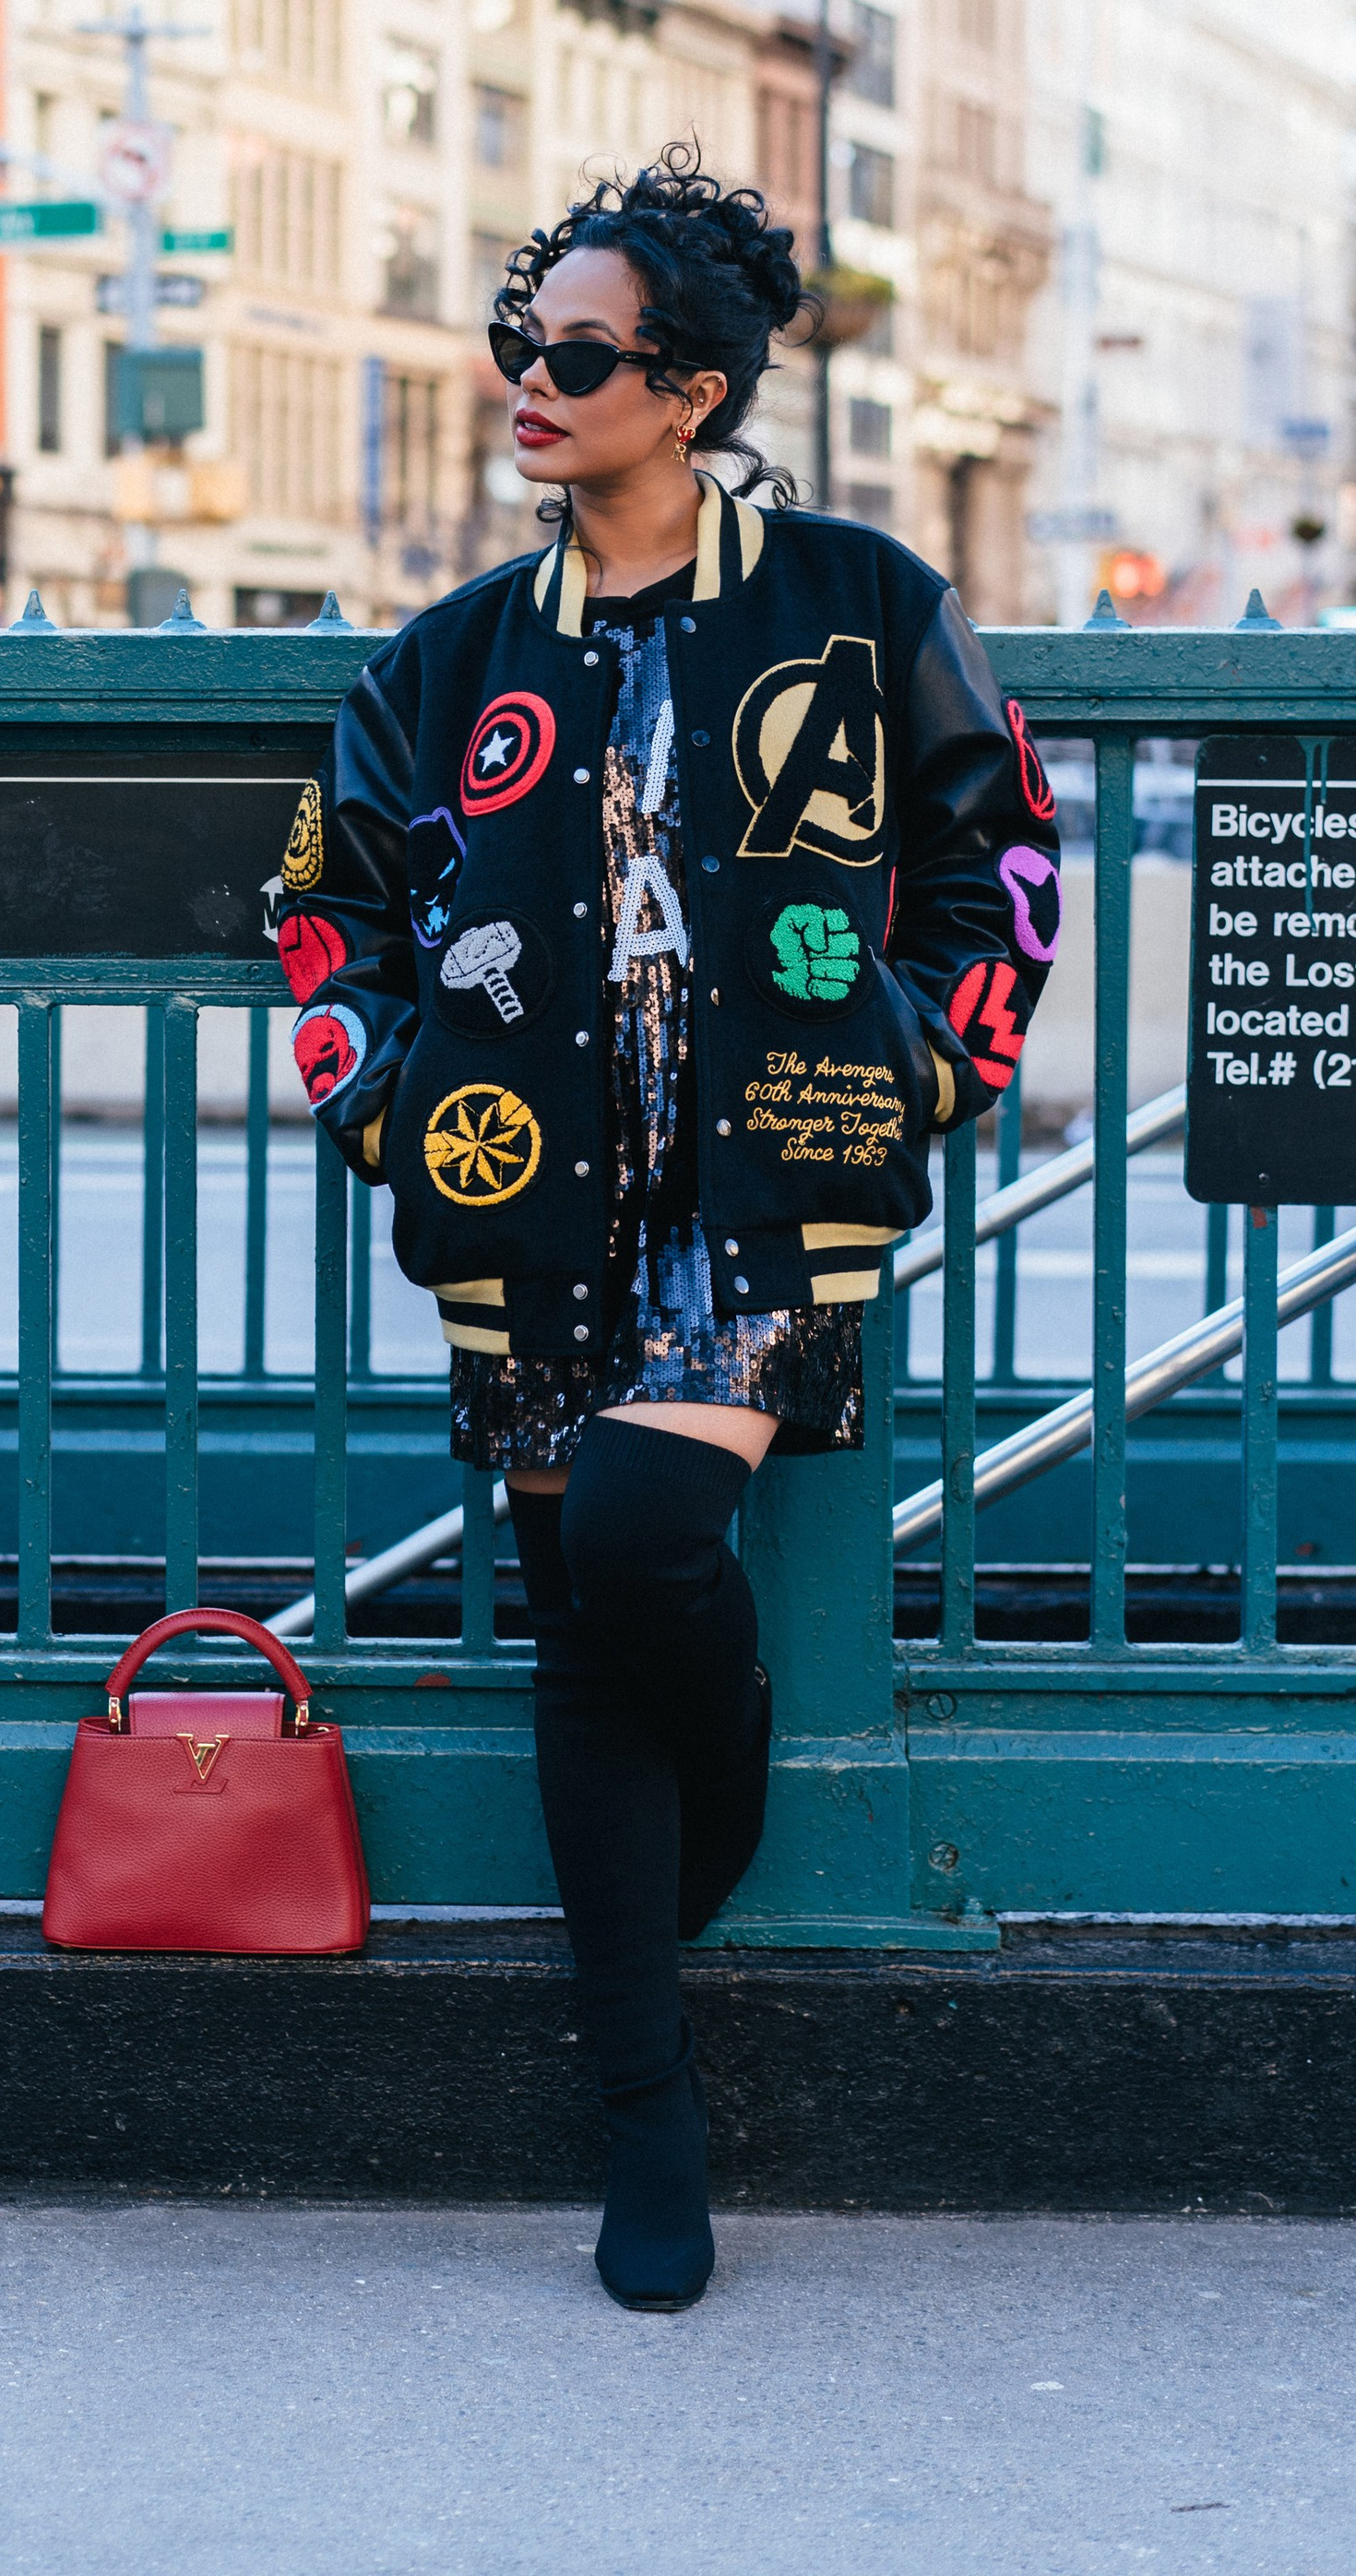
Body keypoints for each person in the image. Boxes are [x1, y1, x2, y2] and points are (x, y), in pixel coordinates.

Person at [282, 150, 1061, 2311]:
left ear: (691, 389)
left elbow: (1000, 858)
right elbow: (322, 904)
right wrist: (382, 1107)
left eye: (580, 356)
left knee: (635, 1553)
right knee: (585, 1634)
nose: (529, 382)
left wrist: (911, 1067)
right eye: (520, 342)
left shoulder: (854, 596)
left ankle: (692, 1865)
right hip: (522, 1224)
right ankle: (653, 2124)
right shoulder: (445, 660)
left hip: (748, 1219)